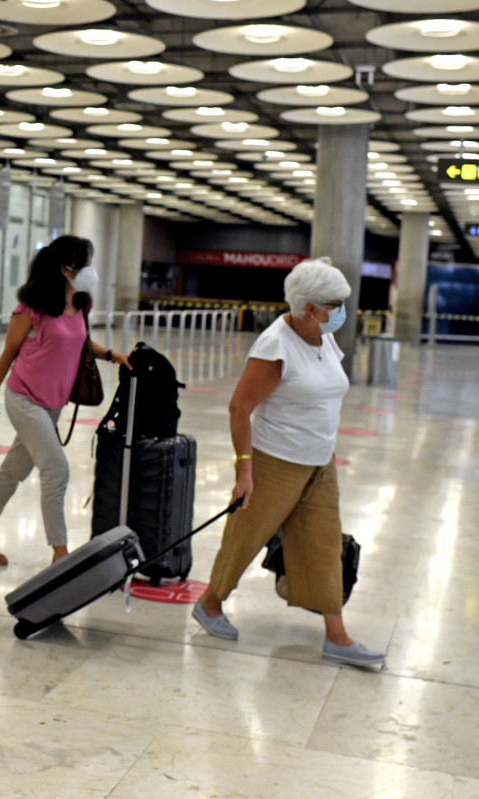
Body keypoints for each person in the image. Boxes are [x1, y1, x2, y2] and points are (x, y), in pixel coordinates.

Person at [192, 257, 385, 668]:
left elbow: (326, 394)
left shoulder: (322, 337)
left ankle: (337, 636)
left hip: (319, 465)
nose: (342, 311)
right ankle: (209, 603)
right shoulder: (276, 345)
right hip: (273, 461)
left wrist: (325, 447)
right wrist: (244, 471)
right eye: (335, 304)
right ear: (310, 308)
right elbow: (239, 407)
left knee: (324, 545)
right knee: (245, 539)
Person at [0, 235, 131, 566]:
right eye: (85, 263)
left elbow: (82, 344)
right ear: (64, 269)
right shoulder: (31, 308)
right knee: (56, 469)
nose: (91, 269)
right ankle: (60, 554)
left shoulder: (80, 305)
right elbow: (8, 354)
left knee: (14, 469)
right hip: (24, 398)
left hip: (54, 403)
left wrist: (114, 355)